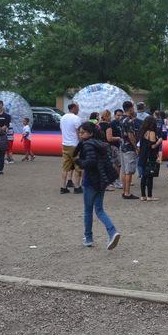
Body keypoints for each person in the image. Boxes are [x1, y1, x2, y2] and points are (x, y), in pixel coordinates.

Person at [75, 122, 121, 250]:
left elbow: (90, 162)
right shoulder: (100, 144)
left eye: (82, 132)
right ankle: (112, 231)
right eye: (79, 132)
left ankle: (88, 238)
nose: (80, 135)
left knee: (88, 210)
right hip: (101, 180)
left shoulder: (87, 144)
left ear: (90, 133)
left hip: (91, 180)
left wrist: (80, 162)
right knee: (99, 209)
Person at [119, 101, 142, 199]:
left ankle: (124, 191)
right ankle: (127, 193)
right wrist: (136, 146)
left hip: (122, 146)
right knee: (129, 171)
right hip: (129, 148)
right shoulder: (129, 121)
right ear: (131, 108)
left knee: (124, 171)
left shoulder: (121, 119)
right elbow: (130, 135)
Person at [60, 103, 83, 194]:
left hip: (65, 144)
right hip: (75, 145)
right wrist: (82, 142)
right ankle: (77, 187)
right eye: (78, 108)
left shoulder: (62, 118)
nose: (78, 110)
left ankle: (63, 187)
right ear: (74, 108)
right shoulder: (76, 118)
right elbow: (79, 132)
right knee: (78, 166)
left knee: (65, 167)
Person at [138, 116, 162, 201]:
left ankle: (143, 195)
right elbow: (152, 146)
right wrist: (159, 142)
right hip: (150, 156)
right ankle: (149, 196)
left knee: (144, 176)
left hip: (143, 155)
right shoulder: (151, 132)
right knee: (150, 176)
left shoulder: (143, 132)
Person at [106, 109, 123, 189]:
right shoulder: (112, 124)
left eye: (121, 115)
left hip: (119, 146)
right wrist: (118, 138)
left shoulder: (122, 123)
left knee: (118, 164)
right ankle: (116, 180)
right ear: (114, 115)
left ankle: (115, 180)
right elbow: (109, 137)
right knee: (116, 164)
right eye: (118, 115)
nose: (119, 117)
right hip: (113, 146)